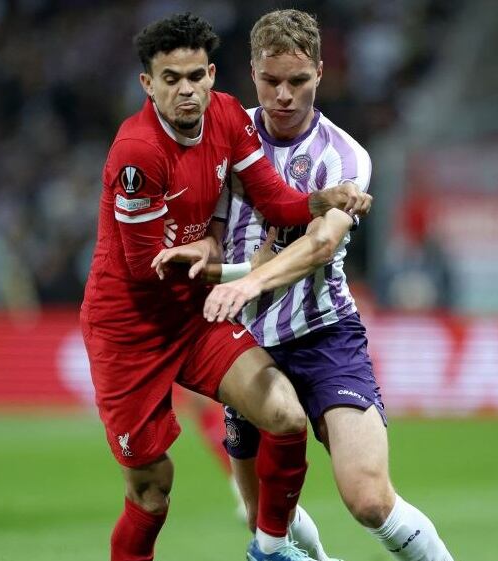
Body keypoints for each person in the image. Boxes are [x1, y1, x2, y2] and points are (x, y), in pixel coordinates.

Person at [154, 10, 454, 561]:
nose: (284, 95)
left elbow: (319, 245)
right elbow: (213, 239)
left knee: (369, 500)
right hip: (245, 348)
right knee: (264, 513)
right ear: (251, 72)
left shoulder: (344, 157)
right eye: (271, 81)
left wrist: (250, 283)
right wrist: (200, 259)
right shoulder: (222, 140)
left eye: (299, 81)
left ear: (320, 72)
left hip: (324, 337)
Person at [80, 13, 371, 561]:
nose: (186, 90)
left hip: (192, 315)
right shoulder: (137, 153)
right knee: (152, 489)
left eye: (195, 75)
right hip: (129, 329)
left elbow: (275, 199)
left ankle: (272, 547)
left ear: (212, 74)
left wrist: (323, 200)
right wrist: (233, 267)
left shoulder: (228, 116)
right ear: (149, 84)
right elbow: (148, 271)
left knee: (283, 414)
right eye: (171, 79)